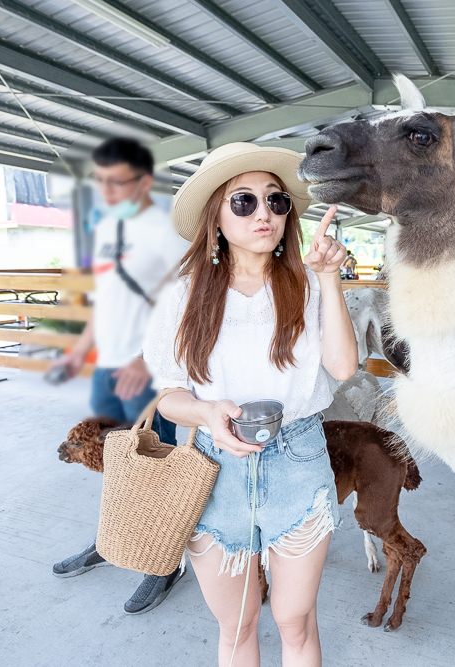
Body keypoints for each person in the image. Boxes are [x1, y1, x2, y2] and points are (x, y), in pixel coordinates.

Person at [144, 143, 357, 666]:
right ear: (216, 215)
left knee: (294, 620)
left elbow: (344, 367)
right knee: (236, 625)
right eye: (244, 202)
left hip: (299, 460)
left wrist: (329, 278)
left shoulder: (307, 285)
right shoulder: (182, 294)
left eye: (276, 201)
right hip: (214, 469)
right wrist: (206, 413)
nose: (264, 213)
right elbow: (169, 396)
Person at [50, 138, 190, 612]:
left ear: (144, 181)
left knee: (153, 463)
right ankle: (111, 541)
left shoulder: (169, 232)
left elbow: (183, 311)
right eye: (100, 181)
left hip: (147, 371)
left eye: (116, 181)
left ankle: (164, 564)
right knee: (108, 459)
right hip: (108, 365)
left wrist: (143, 361)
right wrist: (83, 348)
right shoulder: (107, 229)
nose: (106, 190)